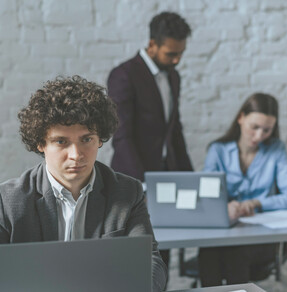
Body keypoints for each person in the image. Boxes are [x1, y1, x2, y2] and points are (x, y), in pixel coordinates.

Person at [0, 76, 167, 292]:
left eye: (86, 139)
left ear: (100, 139)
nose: (76, 155)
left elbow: (152, 266)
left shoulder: (127, 192)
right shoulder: (8, 200)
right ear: (41, 144)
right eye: (61, 142)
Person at [107, 11, 193, 268]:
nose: (177, 60)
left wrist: (190, 180)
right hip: (134, 180)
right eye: (171, 54)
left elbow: (174, 130)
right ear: (152, 44)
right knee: (136, 262)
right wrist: (142, 186)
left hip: (167, 178)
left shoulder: (173, 76)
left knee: (160, 261)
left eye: (181, 53)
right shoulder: (123, 75)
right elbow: (122, 136)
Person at [198, 93, 287, 286]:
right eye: (254, 127)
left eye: (266, 130)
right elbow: (207, 197)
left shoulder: (276, 150)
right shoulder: (218, 150)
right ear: (241, 118)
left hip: (259, 239)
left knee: (235, 253)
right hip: (222, 235)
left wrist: (258, 203)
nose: (259, 136)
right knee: (208, 252)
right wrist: (226, 207)